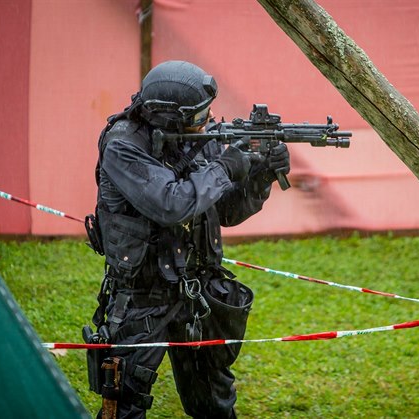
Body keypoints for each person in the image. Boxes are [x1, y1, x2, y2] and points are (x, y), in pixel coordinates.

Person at [85, 60, 290, 418]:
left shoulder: (197, 138)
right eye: (200, 114)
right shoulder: (124, 145)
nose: (209, 120)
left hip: (198, 291)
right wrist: (226, 166)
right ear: (169, 118)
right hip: (142, 295)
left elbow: (225, 210)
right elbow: (171, 203)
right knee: (124, 401)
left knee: (213, 401)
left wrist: (260, 174)